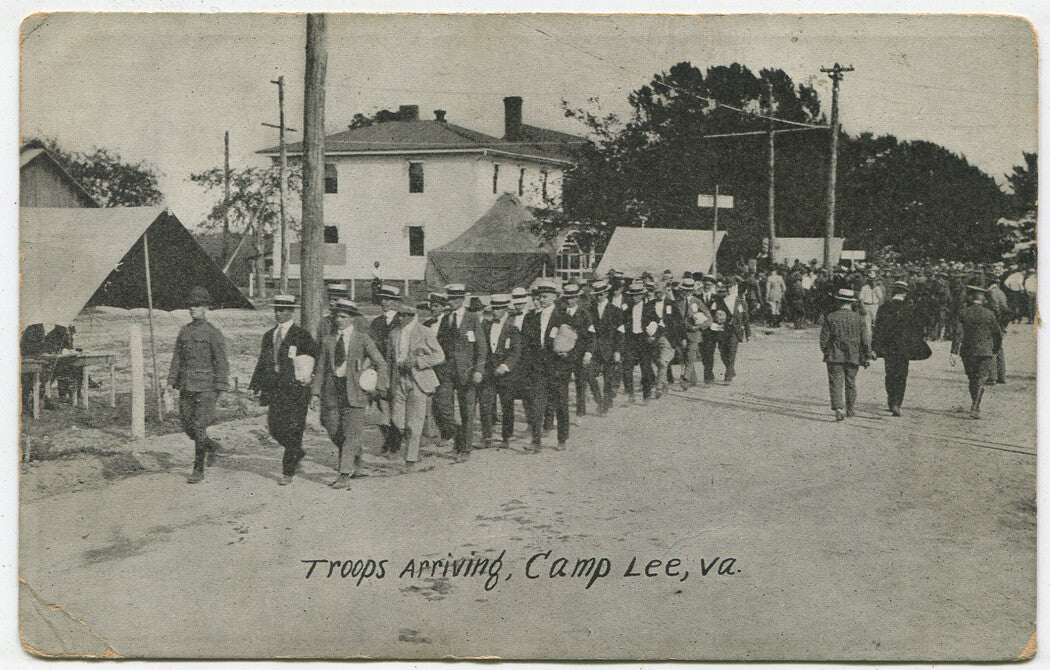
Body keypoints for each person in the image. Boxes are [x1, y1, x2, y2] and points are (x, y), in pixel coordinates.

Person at [310, 298, 388, 488]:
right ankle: (356, 454)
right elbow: (320, 369)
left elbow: (380, 363)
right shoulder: (328, 340)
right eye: (337, 316)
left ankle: (343, 474)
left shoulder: (362, 338)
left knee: (351, 434)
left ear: (352, 319)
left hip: (355, 392)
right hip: (331, 391)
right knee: (332, 428)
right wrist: (315, 393)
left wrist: (377, 386)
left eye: (344, 317)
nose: (339, 320)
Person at [248, 294, 318, 484]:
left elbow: (315, 359)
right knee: (275, 428)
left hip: (296, 391)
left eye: (283, 310)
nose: (279, 313)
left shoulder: (301, 335)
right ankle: (296, 451)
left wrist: (310, 379)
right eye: (276, 310)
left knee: (295, 429)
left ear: (291, 311)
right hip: (275, 390)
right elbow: (262, 362)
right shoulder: (269, 335)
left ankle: (288, 472)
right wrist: (254, 385)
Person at [168, 286, 229, 484]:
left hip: (207, 386)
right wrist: (171, 381)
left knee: (199, 427)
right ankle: (211, 447)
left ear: (205, 308)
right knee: (187, 426)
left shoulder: (213, 333)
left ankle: (198, 469)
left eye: (196, 306)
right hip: (186, 385)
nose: (192, 309)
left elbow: (221, 361)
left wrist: (220, 385)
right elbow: (177, 358)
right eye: (190, 306)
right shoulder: (184, 331)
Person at [386, 302, 444, 471]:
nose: (400, 317)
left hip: (419, 380)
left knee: (415, 422)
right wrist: (389, 381)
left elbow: (439, 356)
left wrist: (418, 361)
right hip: (399, 380)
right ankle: (412, 440)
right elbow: (389, 359)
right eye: (399, 314)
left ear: (412, 315)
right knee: (397, 420)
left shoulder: (424, 332)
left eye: (404, 314)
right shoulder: (394, 334)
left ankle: (411, 459)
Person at [434, 283, 488, 461]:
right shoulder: (445, 319)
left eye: (455, 298)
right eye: (450, 298)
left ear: (462, 299)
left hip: (467, 372)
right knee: (444, 408)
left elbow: (481, 346)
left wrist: (479, 369)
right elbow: (440, 346)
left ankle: (464, 449)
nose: (452, 302)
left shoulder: (472, 318)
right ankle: (456, 437)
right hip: (447, 372)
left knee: (467, 412)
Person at [521, 279, 575, 450]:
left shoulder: (564, 317)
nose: (541, 300)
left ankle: (562, 439)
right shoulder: (530, 317)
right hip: (538, 369)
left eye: (545, 297)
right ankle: (536, 441)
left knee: (561, 404)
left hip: (558, 369)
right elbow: (526, 343)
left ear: (554, 297)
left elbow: (575, 342)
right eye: (539, 297)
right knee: (537, 405)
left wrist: (567, 358)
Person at [871, 280, 924, 417]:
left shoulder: (884, 307)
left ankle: (891, 400)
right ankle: (897, 403)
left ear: (894, 291)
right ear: (905, 293)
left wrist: (875, 348)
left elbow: (879, 330)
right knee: (902, 375)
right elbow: (918, 329)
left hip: (889, 347)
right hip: (904, 348)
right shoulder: (911, 308)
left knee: (890, 374)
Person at [950, 285, 1002, 420]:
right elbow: (997, 334)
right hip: (986, 351)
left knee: (972, 378)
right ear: (982, 298)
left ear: (970, 297)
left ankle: (975, 405)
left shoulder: (964, 312)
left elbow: (957, 333)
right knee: (981, 378)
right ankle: (976, 404)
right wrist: (995, 349)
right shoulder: (989, 313)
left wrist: (954, 352)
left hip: (968, 351)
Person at [819, 288, 872, 421]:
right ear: (852, 303)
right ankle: (850, 408)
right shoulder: (859, 319)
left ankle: (838, 408)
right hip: (853, 355)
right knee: (851, 382)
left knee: (836, 382)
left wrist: (827, 350)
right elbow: (865, 340)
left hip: (835, 354)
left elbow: (823, 340)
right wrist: (867, 354)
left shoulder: (831, 317)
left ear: (839, 301)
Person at [478, 294, 522, 449]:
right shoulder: (486, 326)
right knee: (485, 403)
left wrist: (504, 366)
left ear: (505, 310)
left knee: (506, 405)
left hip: (505, 374)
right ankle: (487, 436)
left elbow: (516, 351)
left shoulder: (512, 328)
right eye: (493, 308)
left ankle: (506, 436)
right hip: (489, 372)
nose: (495, 312)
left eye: (498, 309)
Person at [370, 284, 404, 454]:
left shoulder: (401, 320)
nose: (384, 302)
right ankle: (389, 440)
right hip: (380, 369)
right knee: (383, 406)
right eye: (382, 299)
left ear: (395, 302)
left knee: (396, 406)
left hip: (398, 370)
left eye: (388, 299)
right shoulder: (376, 322)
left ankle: (396, 442)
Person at [562, 282, 601, 416]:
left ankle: (580, 412)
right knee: (562, 384)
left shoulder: (584, 314)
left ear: (577, 298)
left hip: (580, 353)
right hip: (564, 354)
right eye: (567, 298)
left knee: (581, 382)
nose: (569, 300)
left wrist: (588, 353)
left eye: (572, 297)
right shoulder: (560, 313)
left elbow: (591, 336)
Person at [620, 281, 657, 403]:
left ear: (642, 295)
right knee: (627, 367)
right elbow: (622, 325)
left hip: (643, 340)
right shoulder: (627, 309)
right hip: (630, 340)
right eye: (632, 295)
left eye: (637, 295)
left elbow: (657, 322)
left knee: (645, 368)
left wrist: (652, 334)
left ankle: (646, 395)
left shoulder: (649, 308)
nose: (635, 297)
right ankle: (630, 394)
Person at [590, 279, 623, 413]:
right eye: (597, 294)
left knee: (608, 378)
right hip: (594, 348)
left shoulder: (615, 311)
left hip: (610, 348)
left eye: (602, 293)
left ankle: (606, 403)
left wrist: (617, 351)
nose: (599, 296)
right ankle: (599, 399)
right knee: (589, 374)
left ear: (606, 293)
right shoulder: (590, 309)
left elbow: (620, 333)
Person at [697, 276, 727, 385]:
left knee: (709, 352)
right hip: (700, 329)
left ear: (712, 286)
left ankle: (708, 376)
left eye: (709, 285)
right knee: (703, 353)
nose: (706, 286)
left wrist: (720, 322)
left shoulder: (717, 298)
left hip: (712, 331)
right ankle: (709, 373)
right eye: (705, 284)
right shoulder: (697, 297)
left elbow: (723, 312)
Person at [985, 279, 1010, 385]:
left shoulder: (991, 292)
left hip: (995, 323)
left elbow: (995, 308)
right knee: (999, 348)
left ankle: (992, 377)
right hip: (1001, 323)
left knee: (991, 347)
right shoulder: (1000, 291)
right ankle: (1001, 376)